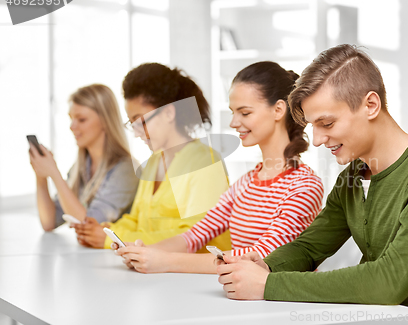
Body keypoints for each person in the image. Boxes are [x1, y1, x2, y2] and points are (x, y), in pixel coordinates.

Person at [216, 45, 408, 325]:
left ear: (370, 105)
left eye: (326, 123)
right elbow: (309, 247)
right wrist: (266, 266)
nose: (316, 139)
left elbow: (388, 282)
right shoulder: (354, 175)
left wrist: (268, 285)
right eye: (312, 126)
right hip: (370, 318)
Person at [114, 61, 324, 274]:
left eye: (244, 112)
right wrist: (143, 252)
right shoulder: (245, 184)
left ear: (278, 110)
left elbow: (259, 258)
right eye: (233, 112)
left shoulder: (304, 186)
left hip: (284, 304)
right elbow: (194, 236)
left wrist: (164, 261)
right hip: (244, 298)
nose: (233, 122)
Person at [73, 63, 231, 250]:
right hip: (156, 271)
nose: (137, 132)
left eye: (140, 121)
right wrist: (107, 231)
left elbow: (195, 235)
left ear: (168, 113)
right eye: (132, 123)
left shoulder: (205, 162)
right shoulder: (154, 161)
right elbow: (137, 219)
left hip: (195, 275)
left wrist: (113, 239)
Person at [29, 84, 138, 232]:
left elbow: (88, 224)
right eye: (71, 119)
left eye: (81, 119)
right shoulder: (81, 167)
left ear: (105, 121)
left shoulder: (126, 170)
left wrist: (54, 174)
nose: (72, 126)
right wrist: (41, 176)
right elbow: (49, 221)